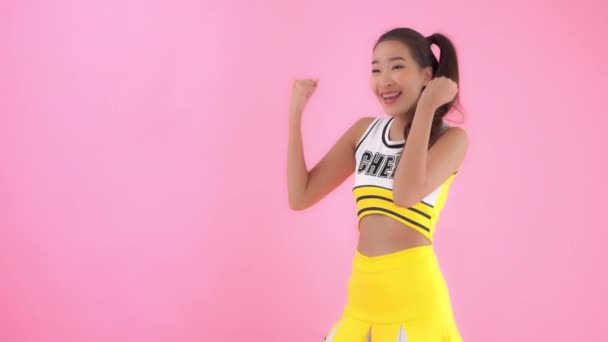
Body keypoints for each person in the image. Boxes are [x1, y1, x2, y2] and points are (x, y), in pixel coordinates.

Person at [287, 27, 469, 342]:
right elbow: (300, 196)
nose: (384, 79)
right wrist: (295, 113)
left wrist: (426, 108)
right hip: (362, 296)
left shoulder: (451, 139)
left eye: (397, 66)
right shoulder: (365, 132)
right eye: (376, 69)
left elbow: (406, 194)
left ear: (427, 75)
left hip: (415, 301)